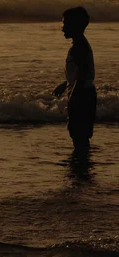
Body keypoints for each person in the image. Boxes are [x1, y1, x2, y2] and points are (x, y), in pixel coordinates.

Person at [52, 6, 96, 152]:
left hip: (82, 95)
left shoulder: (79, 47)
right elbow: (80, 72)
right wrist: (66, 84)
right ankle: (82, 164)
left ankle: (81, 167)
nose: (62, 29)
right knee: (80, 134)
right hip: (84, 92)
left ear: (74, 26)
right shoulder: (79, 45)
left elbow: (82, 74)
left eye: (65, 24)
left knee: (78, 134)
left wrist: (73, 97)